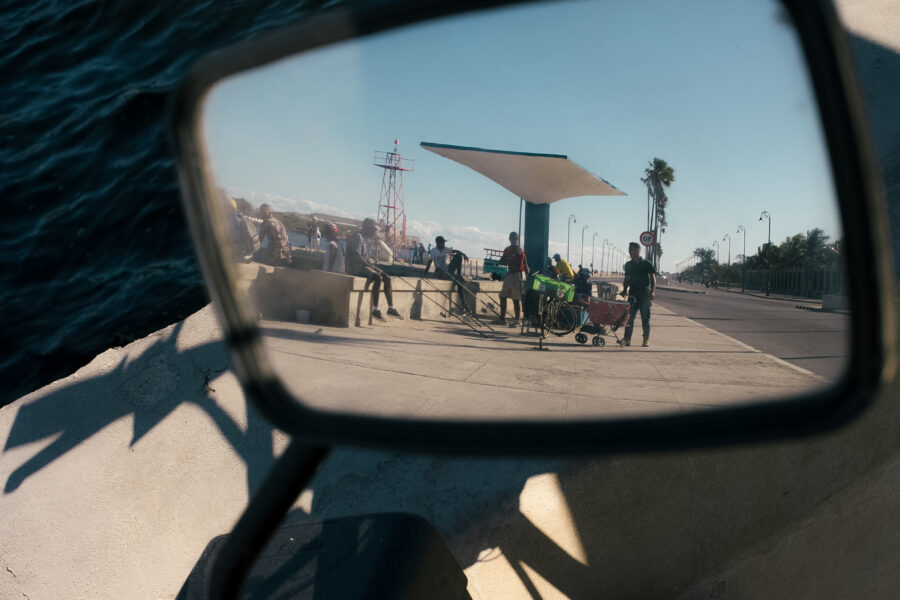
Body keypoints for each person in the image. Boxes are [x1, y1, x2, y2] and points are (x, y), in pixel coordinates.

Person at [345, 218, 402, 320]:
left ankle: (391, 308)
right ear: (367, 228)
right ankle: (375, 309)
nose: (374, 232)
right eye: (373, 230)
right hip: (354, 267)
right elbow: (356, 255)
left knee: (386, 277)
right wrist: (368, 264)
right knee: (377, 277)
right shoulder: (357, 237)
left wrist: (371, 264)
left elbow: (365, 258)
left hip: (362, 265)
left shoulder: (365, 238)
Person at [620, 241, 656, 347]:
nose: (630, 252)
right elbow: (627, 279)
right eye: (629, 250)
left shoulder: (646, 263)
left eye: (631, 249)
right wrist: (624, 290)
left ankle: (646, 339)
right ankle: (627, 339)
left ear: (638, 250)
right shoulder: (628, 265)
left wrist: (653, 291)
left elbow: (653, 278)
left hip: (644, 294)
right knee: (629, 317)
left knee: (645, 318)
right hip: (632, 294)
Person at [424, 235, 469, 309]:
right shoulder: (434, 251)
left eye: (444, 243)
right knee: (458, 281)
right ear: (437, 243)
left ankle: (458, 275)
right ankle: (463, 302)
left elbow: (457, 251)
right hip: (440, 272)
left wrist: (464, 255)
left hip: (447, 270)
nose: (444, 244)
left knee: (458, 256)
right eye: (442, 243)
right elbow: (429, 262)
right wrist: (425, 273)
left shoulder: (445, 249)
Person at [497, 231, 527, 326]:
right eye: (512, 237)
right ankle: (502, 318)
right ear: (509, 239)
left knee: (516, 299)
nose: (513, 239)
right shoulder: (507, 250)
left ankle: (517, 320)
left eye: (515, 237)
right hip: (510, 274)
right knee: (502, 296)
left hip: (518, 275)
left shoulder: (520, 251)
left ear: (517, 239)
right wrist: (505, 260)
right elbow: (502, 262)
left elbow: (522, 264)